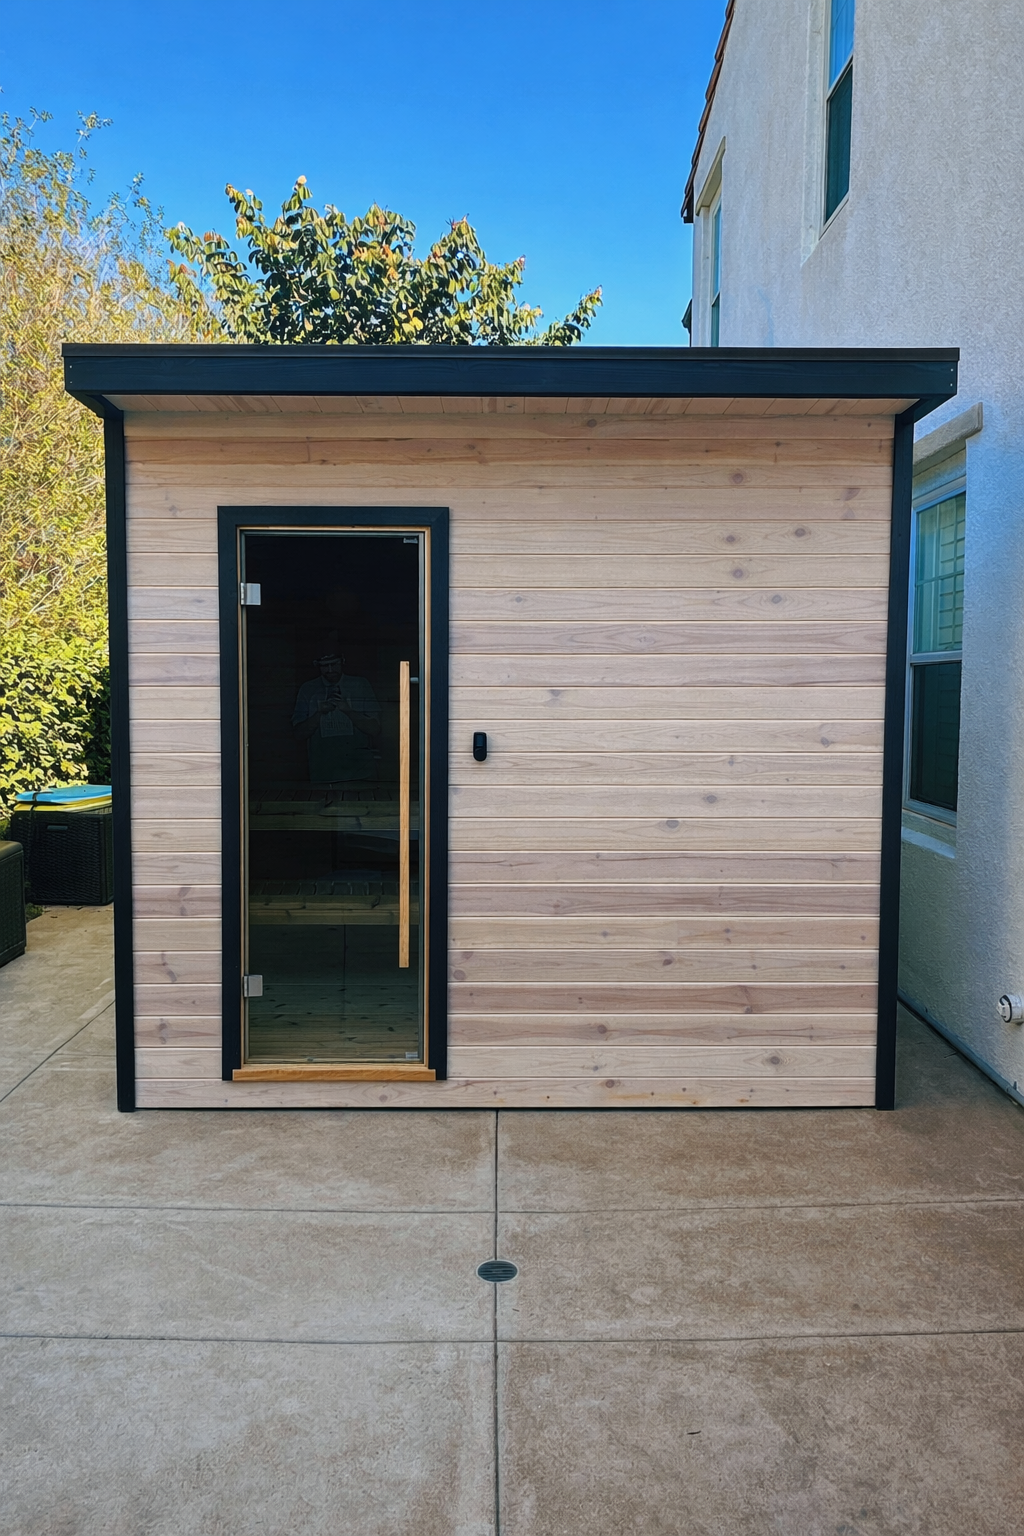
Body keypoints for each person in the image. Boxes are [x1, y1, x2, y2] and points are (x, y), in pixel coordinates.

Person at [292, 651, 381, 783]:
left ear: (342, 662)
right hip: (323, 773)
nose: (330, 670)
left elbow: (375, 729)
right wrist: (319, 713)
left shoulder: (359, 685)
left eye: (334, 664)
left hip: (361, 773)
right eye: (324, 666)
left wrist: (348, 711)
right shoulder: (308, 689)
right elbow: (298, 734)